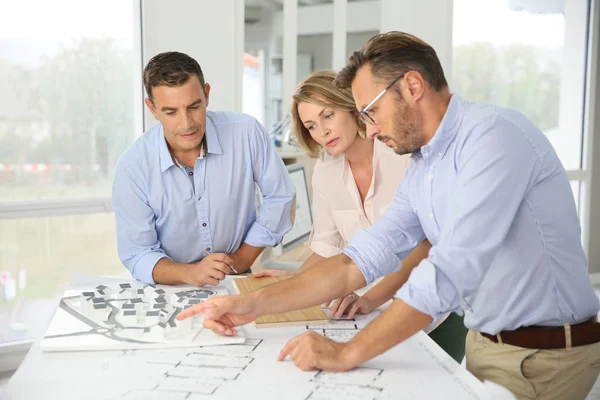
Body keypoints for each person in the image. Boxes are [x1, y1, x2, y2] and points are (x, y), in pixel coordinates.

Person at [178, 32, 600, 400]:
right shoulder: (425, 166)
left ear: (412, 85)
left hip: (542, 358)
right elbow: (353, 262)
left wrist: (347, 352)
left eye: (371, 112)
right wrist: (249, 304)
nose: (372, 129)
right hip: (487, 346)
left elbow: (449, 269)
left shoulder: (493, 138)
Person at [252, 69, 467, 362]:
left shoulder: (402, 156)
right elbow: (326, 248)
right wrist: (293, 281)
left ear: (352, 107)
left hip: (434, 315)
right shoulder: (325, 173)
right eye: (311, 125)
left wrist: (371, 298)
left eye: (328, 116)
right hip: (373, 315)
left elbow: (425, 247)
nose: (322, 131)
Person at [112, 51, 295, 287]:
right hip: (171, 285)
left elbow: (280, 197)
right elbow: (137, 253)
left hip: (237, 275)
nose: (187, 123)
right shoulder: (132, 169)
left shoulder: (247, 133)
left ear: (206, 95)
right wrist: (192, 273)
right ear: (152, 108)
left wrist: (241, 259)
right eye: (171, 112)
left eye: (194, 107)